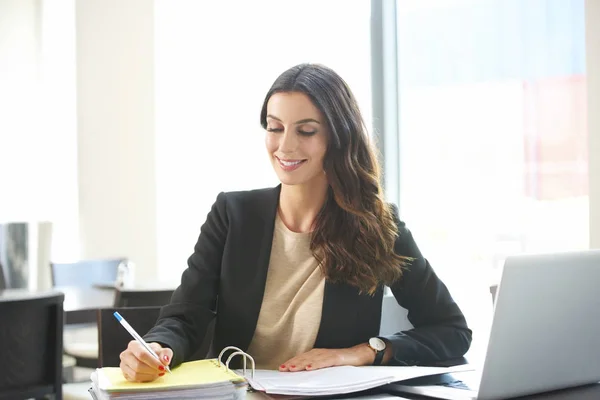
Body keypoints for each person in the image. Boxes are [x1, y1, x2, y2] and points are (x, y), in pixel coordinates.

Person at [119, 63, 472, 383]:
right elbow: (186, 315)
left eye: (306, 131)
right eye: (274, 128)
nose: (284, 146)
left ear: (338, 137)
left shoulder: (376, 224)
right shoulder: (231, 214)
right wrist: (157, 345)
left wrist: (362, 352)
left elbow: (451, 330)